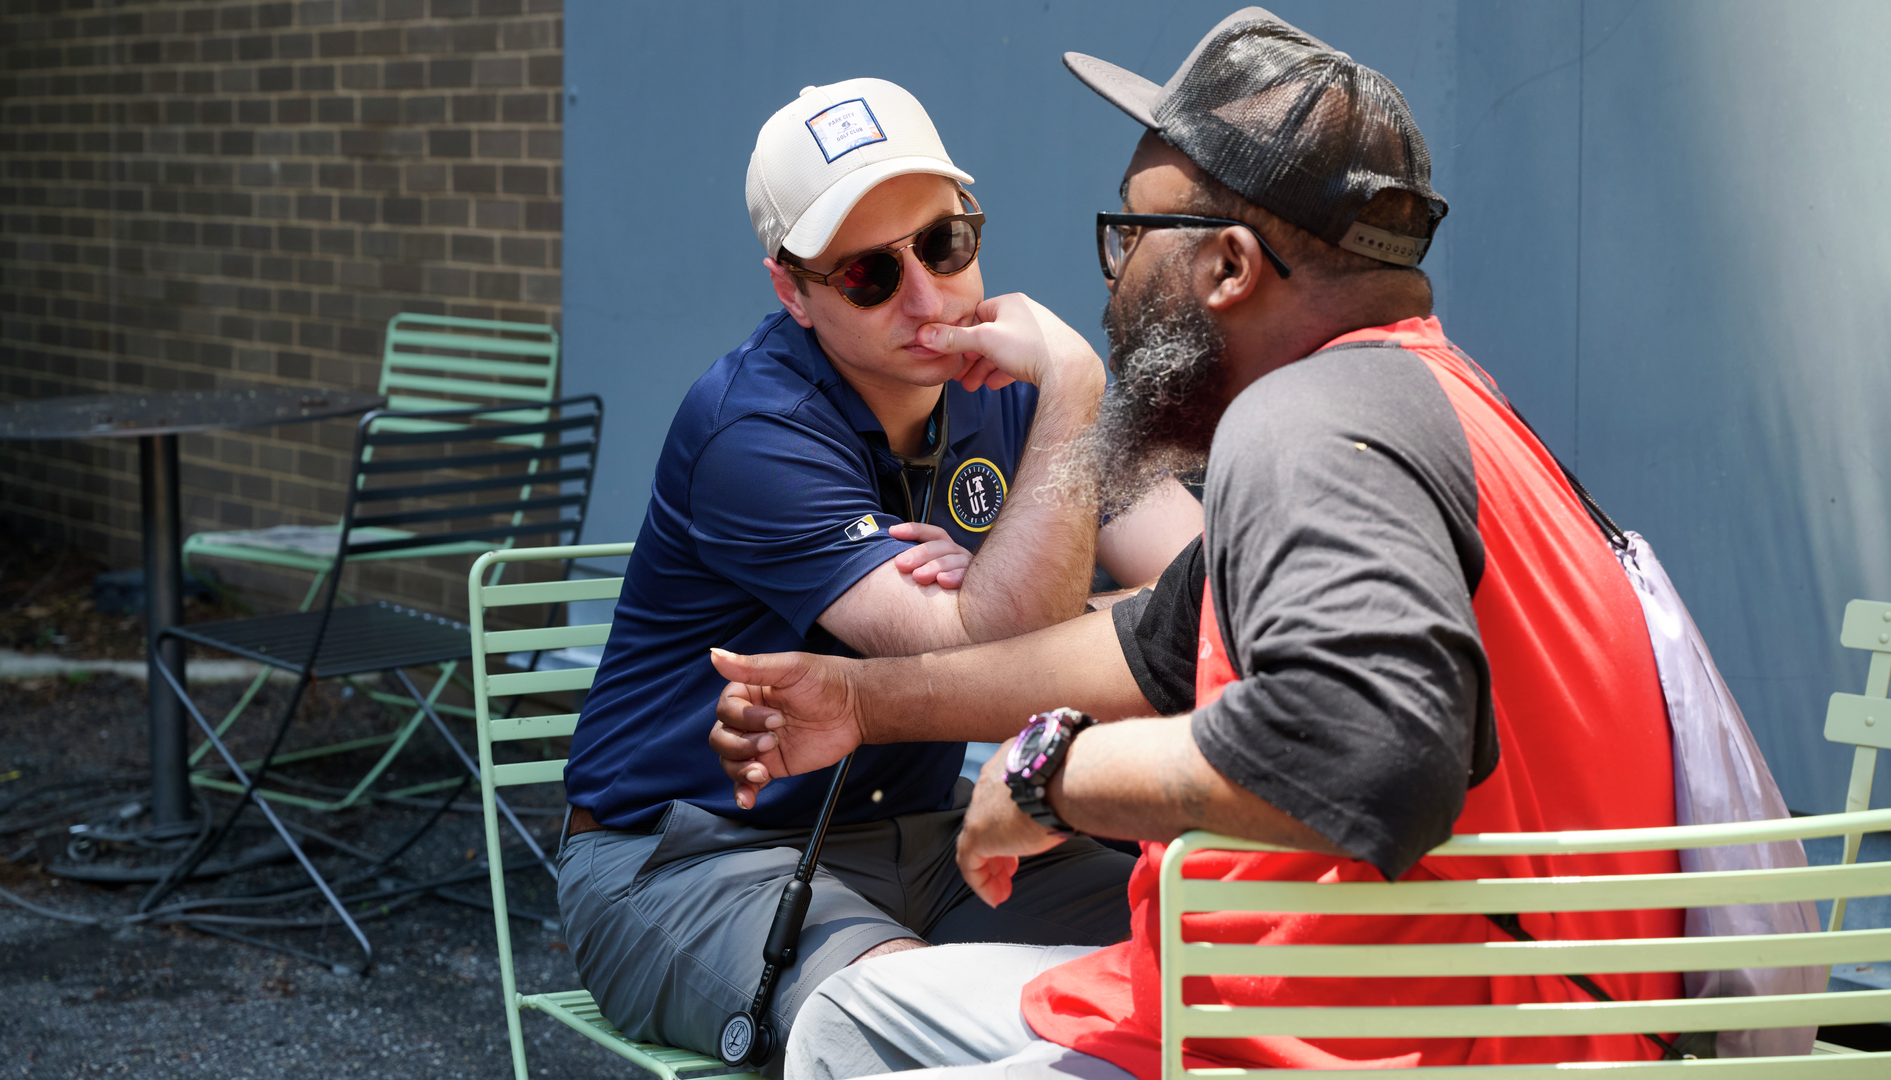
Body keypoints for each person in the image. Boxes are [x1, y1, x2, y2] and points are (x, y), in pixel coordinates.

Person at [709, 11, 1683, 1077]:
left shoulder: (1306, 427)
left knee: (847, 1032)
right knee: (859, 1013)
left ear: (1226, 265)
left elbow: (1372, 753)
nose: (1113, 279)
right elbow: (1150, 646)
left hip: (1379, 1038)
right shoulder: (1437, 405)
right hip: (1499, 1013)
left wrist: (1050, 772)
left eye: (1131, 239)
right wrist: (860, 704)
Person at [558, 77, 1202, 1070]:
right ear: (792, 290)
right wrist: (1079, 386)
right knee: (893, 1031)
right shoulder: (753, 427)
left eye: (944, 243)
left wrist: (1029, 583)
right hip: (688, 857)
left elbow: (1216, 596)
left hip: (932, 835)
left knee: (1204, 956)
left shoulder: (1008, 386)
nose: (928, 294)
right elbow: (989, 664)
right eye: (867, 273)